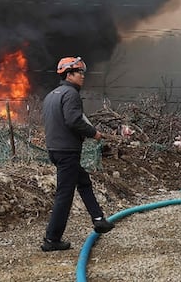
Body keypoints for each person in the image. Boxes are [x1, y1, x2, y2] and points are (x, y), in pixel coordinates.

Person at [41, 56, 114, 252]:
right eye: (79, 72)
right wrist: (94, 133)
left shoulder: (51, 95)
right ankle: (52, 239)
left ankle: (99, 219)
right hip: (67, 151)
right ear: (68, 74)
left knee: (83, 182)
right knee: (64, 195)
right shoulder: (70, 94)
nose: (83, 76)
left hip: (55, 150)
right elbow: (73, 120)